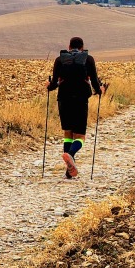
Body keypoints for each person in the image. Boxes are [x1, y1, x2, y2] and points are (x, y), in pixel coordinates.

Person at [46, 36, 105, 179]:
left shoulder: (60, 60)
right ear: (82, 47)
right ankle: (70, 155)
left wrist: (48, 86)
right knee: (80, 136)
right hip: (80, 100)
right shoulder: (88, 59)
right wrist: (100, 90)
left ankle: (69, 171)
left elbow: (54, 84)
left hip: (63, 99)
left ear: (69, 46)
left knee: (68, 133)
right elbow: (95, 81)